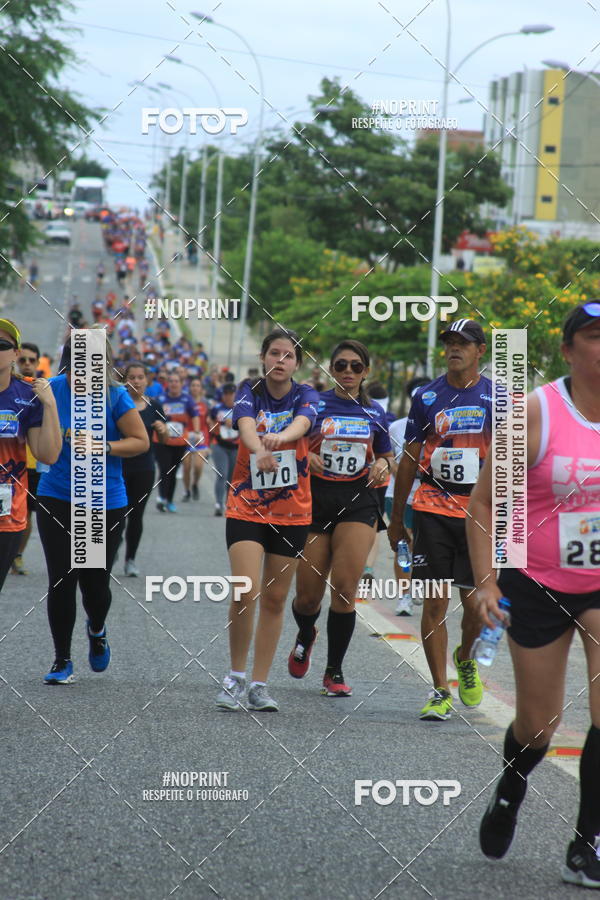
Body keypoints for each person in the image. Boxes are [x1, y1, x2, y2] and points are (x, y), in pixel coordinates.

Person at [467, 303, 600, 887]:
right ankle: (510, 789)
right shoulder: (535, 412)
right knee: (538, 727)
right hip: (538, 582)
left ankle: (587, 844)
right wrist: (486, 582)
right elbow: (483, 504)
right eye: (595, 337)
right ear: (568, 349)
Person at [388, 319, 493, 721]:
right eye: (449, 342)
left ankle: (465, 657)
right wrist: (397, 518)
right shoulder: (428, 396)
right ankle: (439, 690)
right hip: (432, 509)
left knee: (477, 608)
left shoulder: (499, 397)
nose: (454, 349)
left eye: (463, 343)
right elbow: (409, 459)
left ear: (480, 350)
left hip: (479, 515)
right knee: (434, 602)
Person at [37, 330, 148, 684]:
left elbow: (140, 442)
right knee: (61, 578)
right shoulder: (52, 390)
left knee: (94, 585)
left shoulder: (115, 395)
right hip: (56, 494)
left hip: (101, 500)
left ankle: (97, 628)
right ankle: (62, 660)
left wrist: (103, 446)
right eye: (75, 367)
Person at [216, 328, 318, 712]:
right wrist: (259, 447)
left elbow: (303, 423)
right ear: (263, 358)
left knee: (275, 599)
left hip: (293, 512)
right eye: (274, 353)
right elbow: (245, 425)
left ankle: (259, 685)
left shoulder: (305, 394)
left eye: (288, 355)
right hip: (247, 506)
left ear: (297, 363)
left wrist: (282, 437)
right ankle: (235, 677)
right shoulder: (249, 390)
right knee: (246, 590)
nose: (280, 360)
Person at [289, 340, 392, 697]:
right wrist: (305, 456)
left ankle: (334, 671)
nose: (348, 371)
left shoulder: (375, 412)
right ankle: (306, 633)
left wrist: (383, 465)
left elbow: (386, 456)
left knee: (346, 589)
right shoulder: (312, 405)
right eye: (341, 365)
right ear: (331, 370)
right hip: (315, 501)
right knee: (307, 598)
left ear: (366, 372)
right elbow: (290, 443)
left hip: (358, 501)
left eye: (356, 366)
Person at [0, 320, 60, 591]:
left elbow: (48, 455)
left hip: (7, 516)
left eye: (2, 345)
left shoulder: (27, 395)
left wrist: (50, 405)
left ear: (14, 353)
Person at [386, 377, 431, 615]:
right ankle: (404, 595)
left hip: (430, 497)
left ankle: (418, 585)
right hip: (399, 495)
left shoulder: (440, 425)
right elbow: (387, 458)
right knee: (404, 545)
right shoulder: (396, 427)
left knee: (423, 547)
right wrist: (402, 470)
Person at [122, 363, 168, 576]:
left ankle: (130, 559)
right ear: (125, 380)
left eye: (140, 377)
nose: (137, 381)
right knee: (116, 514)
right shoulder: (118, 402)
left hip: (144, 468)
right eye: (132, 377)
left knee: (136, 515)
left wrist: (163, 430)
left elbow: (165, 440)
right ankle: (110, 551)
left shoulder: (154, 405)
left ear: (147, 380)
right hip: (118, 466)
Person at [12, 342, 45, 575]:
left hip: (36, 466)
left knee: (27, 515)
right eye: (22, 360)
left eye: (31, 360)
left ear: (38, 363)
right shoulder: (9, 388)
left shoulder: (45, 391)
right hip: (11, 464)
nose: (26, 364)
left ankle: (18, 555)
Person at [154, 372, 199, 512]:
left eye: (176, 381)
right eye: (171, 381)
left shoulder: (187, 399)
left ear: (181, 384)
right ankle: (161, 498)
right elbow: (153, 416)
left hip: (179, 442)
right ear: (168, 383)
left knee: (173, 472)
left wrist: (197, 431)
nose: (174, 384)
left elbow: (195, 416)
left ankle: (169, 500)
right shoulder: (160, 399)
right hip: (162, 441)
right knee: (164, 469)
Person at [210, 383, 238, 516]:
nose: (228, 397)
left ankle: (229, 503)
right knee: (222, 474)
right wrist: (218, 425)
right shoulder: (217, 408)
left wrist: (234, 423)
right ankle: (218, 503)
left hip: (236, 446)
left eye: (231, 394)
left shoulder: (241, 408)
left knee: (232, 477)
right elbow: (210, 422)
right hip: (219, 445)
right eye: (226, 394)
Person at [182, 376, 209, 502]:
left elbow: (211, 421)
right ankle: (187, 491)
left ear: (201, 388)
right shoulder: (185, 402)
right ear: (190, 388)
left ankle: (195, 484)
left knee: (198, 466)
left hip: (201, 437)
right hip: (187, 436)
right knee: (186, 467)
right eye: (193, 385)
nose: (195, 388)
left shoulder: (206, 404)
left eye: (198, 385)